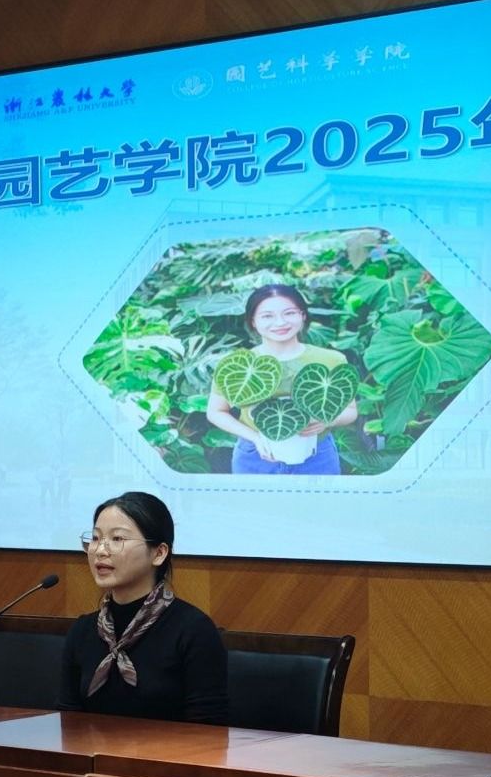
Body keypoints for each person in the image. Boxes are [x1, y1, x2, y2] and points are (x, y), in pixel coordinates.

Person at [58, 491, 227, 723]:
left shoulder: (193, 631)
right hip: (91, 747)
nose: (100, 550)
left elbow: (208, 729)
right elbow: (69, 721)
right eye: (96, 538)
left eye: (117, 539)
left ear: (159, 553)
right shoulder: (82, 631)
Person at [205, 284, 358, 475]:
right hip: (255, 455)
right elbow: (216, 412)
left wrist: (328, 421)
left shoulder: (331, 359)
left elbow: (351, 411)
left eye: (289, 313)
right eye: (267, 316)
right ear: (253, 321)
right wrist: (255, 438)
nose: (280, 322)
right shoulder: (236, 364)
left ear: (303, 315)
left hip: (316, 454)